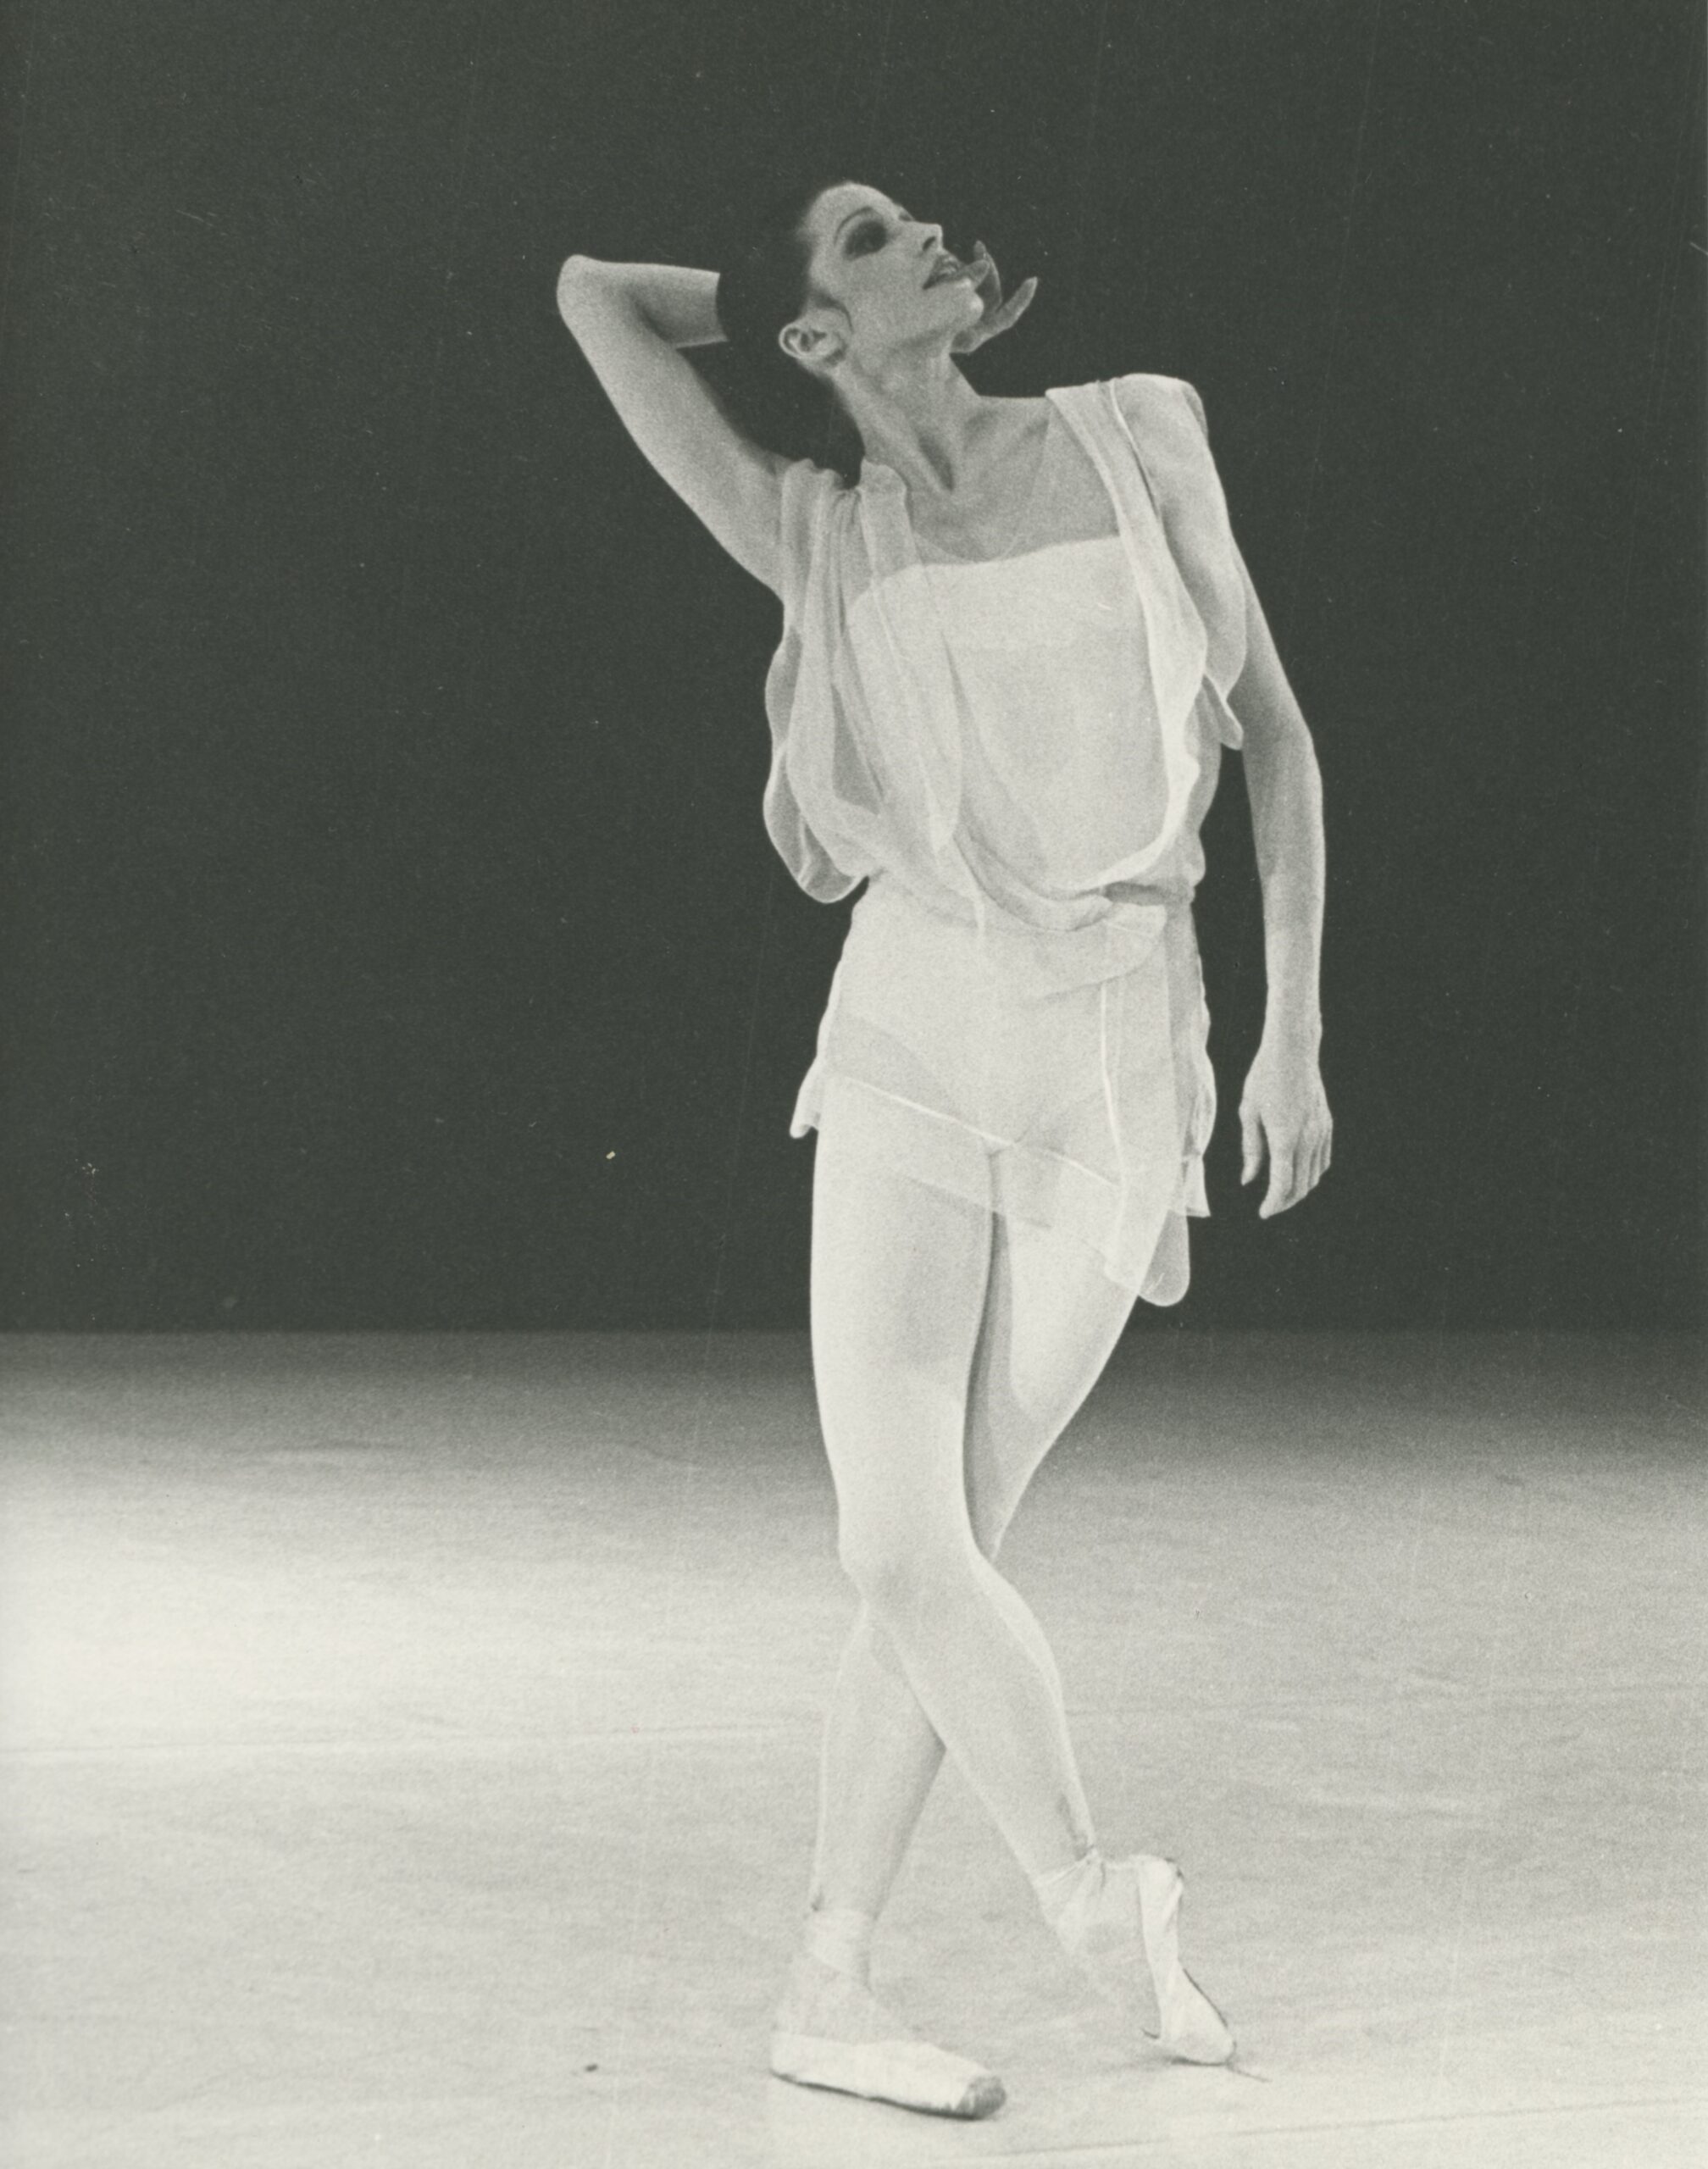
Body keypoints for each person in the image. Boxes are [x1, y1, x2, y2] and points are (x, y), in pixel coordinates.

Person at [555, 175, 1331, 2122]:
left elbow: (1279, 745)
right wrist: (777, 308)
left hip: (1119, 1041)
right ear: (814, 338)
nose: (938, 244)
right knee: (896, 1541)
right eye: (879, 240)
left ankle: (830, 1972)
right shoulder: (815, 525)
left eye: (929, 227)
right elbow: (591, 296)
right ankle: (1087, 1897)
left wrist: (1294, 1032)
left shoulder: (1138, 424)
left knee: (947, 1540)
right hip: (915, 1012)